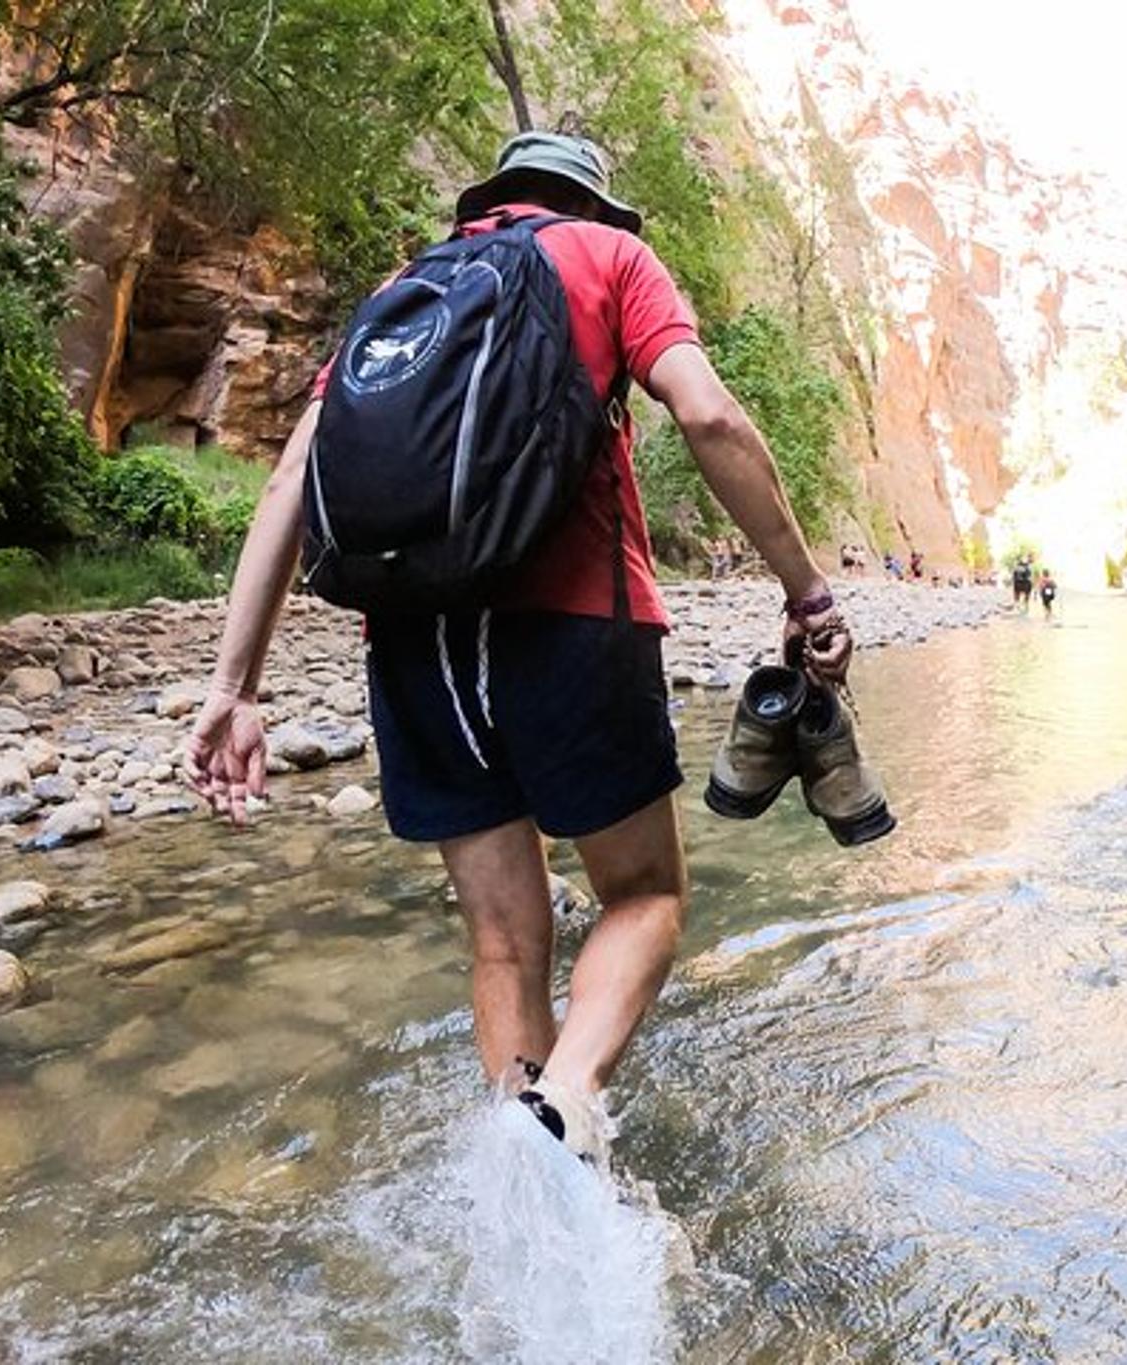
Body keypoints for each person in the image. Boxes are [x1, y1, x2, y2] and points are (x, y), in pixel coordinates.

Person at [187, 132, 853, 1164]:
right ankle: (566, 1100)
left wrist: (234, 688)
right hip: (574, 623)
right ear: (592, 205)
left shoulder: (401, 290)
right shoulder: (610, 257)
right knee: (644, 894)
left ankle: (522, 1157)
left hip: (413, 647)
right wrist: (805, 591)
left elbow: (288, 485)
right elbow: (709, 415)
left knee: (502, 943)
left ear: (491, 200)